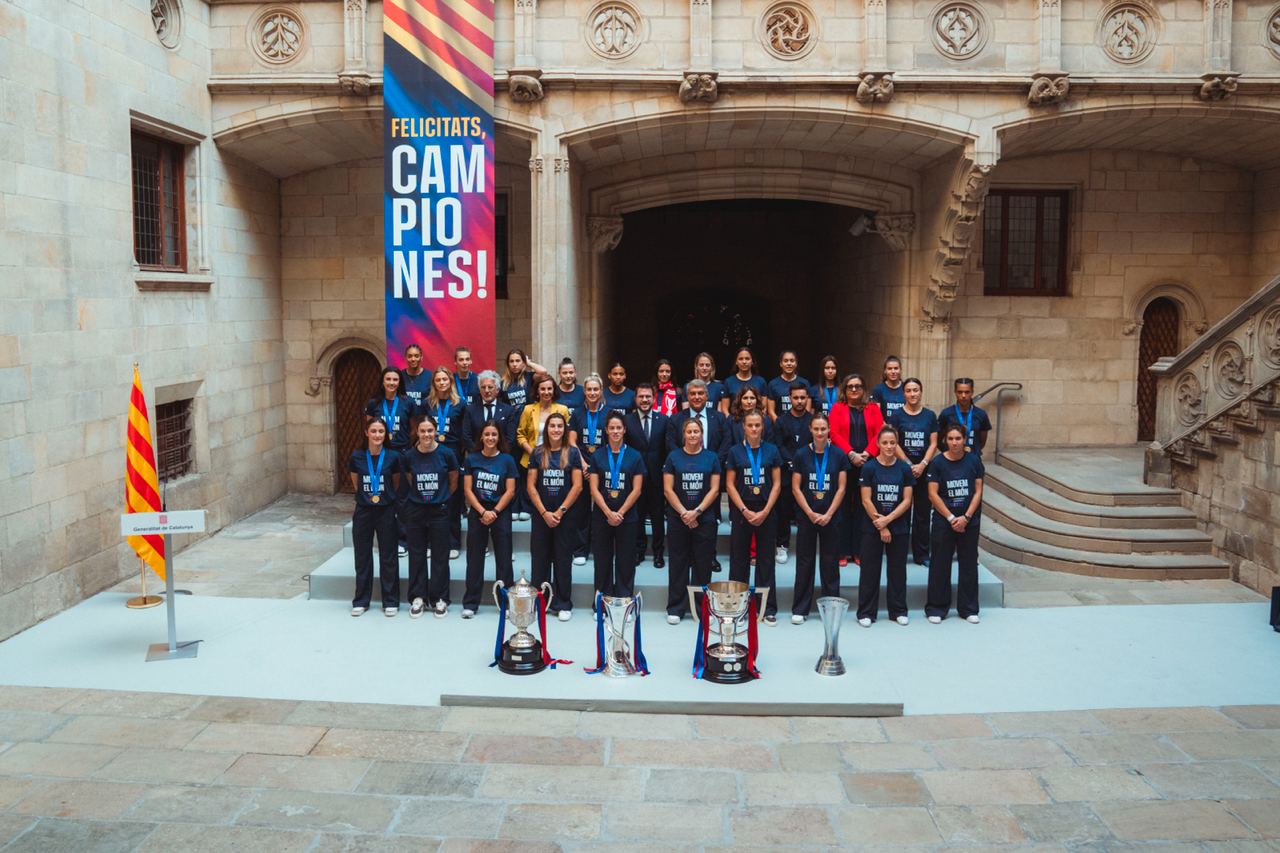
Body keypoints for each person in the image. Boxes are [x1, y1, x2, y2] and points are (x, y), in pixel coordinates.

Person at [790, 413, 849, 624]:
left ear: (829, 429)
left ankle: (831, 608)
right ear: (810, 430)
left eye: (823, 429)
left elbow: (842, 487)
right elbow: (796, 487)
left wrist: (829, 513)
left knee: (830, 561)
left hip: (831, 516)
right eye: (816, 429)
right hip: (808, 515)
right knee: (804, 561)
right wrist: (810, 512)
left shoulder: (839, 455)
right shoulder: (800, 455)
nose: (820, 432)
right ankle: (800, 609)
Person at [662, 419, 722, 624]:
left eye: (697, 431)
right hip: (679, 520)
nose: (693, 435)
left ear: (702, 434)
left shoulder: (711, 457)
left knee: (702, 565)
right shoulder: (673, 457)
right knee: (678, 564)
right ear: (684, 434)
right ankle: (676, 608)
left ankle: (702, 608)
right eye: (689, 431)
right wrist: (684, 514)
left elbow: (715, 489)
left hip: (704, 519)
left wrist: (696, 512)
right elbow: (668, 489)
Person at [925, 424, 985, 624]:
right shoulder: (937, 463)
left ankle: (968, 608)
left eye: (958, 438)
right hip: (944, 521)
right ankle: (936, 608)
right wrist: (951, 518)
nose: (954, 442)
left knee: (968, 564)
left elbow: (978, 491)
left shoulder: (974, 461)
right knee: (940, 564)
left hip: (969, 521)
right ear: (945, 440)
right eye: (950, 438)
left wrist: (966, 517)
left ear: (965, 439)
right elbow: (932, 494)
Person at [726, 411, 782, 625]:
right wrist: (744, 510)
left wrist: (766, 511)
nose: (754, 429)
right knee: (739, 560)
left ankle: (767, 608)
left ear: (763, 427)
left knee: (766, 560)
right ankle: (737, 607)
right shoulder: (735, 451)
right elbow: (730, 484)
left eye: (758, 425)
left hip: (766, 510)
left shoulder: (772, 450)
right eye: (750, 425)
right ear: (744, 427)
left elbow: (777, 483)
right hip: (743, 511)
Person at [527, 412, 582, 621]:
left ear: (564, 429)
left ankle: (563, 602)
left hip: (564, 516)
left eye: (560, 426)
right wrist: (544, 512)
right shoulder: (538, 453)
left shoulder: (573, 453)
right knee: (539, 559)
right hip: (541, 514)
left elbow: (577, 486)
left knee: (562, 559)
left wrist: (559, 512)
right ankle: (540, 601)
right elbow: (531, 486)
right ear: (547, 429)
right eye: (552, 426)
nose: (556, 430)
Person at [857, 425, 915, 627]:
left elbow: (907, 501)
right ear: (878, 444)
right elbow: (866, 499)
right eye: (885, 443)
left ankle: (898, 610)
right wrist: (880, 525)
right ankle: (866, 612)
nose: (889, 446)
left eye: (892, 442)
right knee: (869, 570)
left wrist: (887, 521)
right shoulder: (869, 468)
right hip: (872, 526)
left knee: (897, 570)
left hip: (898, 527)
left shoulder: (904, 468)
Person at [401, 418, 458, 619]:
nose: (426, 435)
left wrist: (440, 498)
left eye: (430, 431)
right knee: (416, 554)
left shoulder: (447, 454)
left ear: (436, 431)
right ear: (417, 432)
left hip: (439, 510)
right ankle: (418, 597)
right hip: (416, 510)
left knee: (440, 555)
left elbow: (453, 481)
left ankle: (440, 598)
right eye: (423, 431)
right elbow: (409, 479)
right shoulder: (409, 456)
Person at [461, 422, 518, 617]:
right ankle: (470, 603)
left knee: (504, 560)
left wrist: (494, 511)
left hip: (500, 513)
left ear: (499, 437)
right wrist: (482, 511)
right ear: (481, 437)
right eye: (487, 434)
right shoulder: (472, 459)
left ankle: (506, 603)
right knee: (474, 559)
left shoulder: (507, 460)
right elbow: (467, 489)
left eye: (494, 434)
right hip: (478, 513)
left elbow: (510, 490)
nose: (491, 438)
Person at [348, 418, 402, 617]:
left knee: (388, 556)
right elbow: (356, 482)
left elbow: (395, 482)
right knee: (362, 556)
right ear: (366, 433)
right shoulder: (357, 456)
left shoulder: (393, 457)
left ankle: (390, 600)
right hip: (363, 511)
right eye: (374, 431)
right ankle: (361, 600)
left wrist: (383, 498)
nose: (378, 435)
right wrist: (369, 498)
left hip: (386, 510)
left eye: (381, 431)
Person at [589, 413, 646, 600]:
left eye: (618, 428)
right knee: (602, 559)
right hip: (601, 517)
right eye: (611, 428)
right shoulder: (597, 456)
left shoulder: (635, 456)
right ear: (606, 430)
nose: (615, 431)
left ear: (624, 430)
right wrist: (608, 512)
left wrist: (619, 513)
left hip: (627, 517)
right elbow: (594, 489)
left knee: (626, 560)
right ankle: (602, 600)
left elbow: (637, 490)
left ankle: (623, 599)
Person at [830, 373, 884, 566]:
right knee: (843, 508)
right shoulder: (837, 408)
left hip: (868, 465)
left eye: (858, 386)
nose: (854, 389)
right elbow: (833, 433)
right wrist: (851, 454)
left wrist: (868, 454)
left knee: (863, 508)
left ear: (864, 389)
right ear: (844, 389)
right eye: (850, 386)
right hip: (845, 463)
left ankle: (860, 551)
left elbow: (880, 432)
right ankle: (842, 551)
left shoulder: (873, 409)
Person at [888, 378, 938, 566]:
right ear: (904, 394)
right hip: (903, 469)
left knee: (922, 514)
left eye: (915, 390)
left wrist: (923, 463)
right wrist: (909, 464)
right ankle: (898, 552)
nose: (912, 394)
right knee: (901, 512)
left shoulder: (930, 416)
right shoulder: (896, 416)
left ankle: (922, 554)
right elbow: (894, 442)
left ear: (921, 391)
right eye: (908, 390)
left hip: (925, 470)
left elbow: (933, 443)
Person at [420, 367, 468, 557]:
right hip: (431, 452)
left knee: (453, 499)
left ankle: (453, 543)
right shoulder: (427, 404)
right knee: (432, 496)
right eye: (438, 380)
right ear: (434, 383)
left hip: (453, 453)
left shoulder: (460, 404)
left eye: (445, 380)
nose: (441, 383)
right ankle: (432, 542)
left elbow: (464, 433)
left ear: (450, 382)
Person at [464, 371, 522, 521]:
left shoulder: (508, 410)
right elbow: (466, 435)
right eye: (483, 387)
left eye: (491, 387)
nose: (487, 390)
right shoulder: (471, 409)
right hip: (477, 461)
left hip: (501, 461)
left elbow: (510, 437)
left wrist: (498, 456)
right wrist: (479, 455)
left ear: (497, 389)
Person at [625, 383, 670, 568]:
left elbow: (667, 449)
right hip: (635, 477)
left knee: (658, 517)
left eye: (648, 397)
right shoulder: (627, 421)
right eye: (641, 397)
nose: (644, 400)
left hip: (658, 477)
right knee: (637, 516)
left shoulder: (664, 420)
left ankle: (658, 553)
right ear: (635, 399)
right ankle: (639, 551)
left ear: (654, 399)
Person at [569, 374, 608, 566]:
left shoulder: (609, 413)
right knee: (581, 509)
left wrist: (596, 468)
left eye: (596, 389)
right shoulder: (577, 414)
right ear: (584, 391)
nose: (592, 393)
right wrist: (584, 465)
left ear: (601, 391)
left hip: (604, 467)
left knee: (603, 507)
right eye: (589, 389)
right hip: (582, 466)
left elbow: (613, 441)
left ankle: (601, 548)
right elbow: (572, 441)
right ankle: (580, 550)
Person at [774, 381, 814, 566]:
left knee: (805, 510)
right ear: (789, 398)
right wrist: (791, 462)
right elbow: (778, 445)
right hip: (787, 471)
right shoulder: (781, 421)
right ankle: (782, 544)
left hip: (809, 472)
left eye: (802, 398)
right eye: (796, 398)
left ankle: (806, 546)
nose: (799, 401)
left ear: (807, 399)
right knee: (783, 510)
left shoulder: (813, 420)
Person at [515, 373, 570, 472]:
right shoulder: (528, 409)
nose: (546, 392)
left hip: (556, 461)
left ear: (554, 390)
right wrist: (532, 453)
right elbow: (520, 435)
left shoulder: (563, 410)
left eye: (549, 388)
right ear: (537, 390)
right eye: (543, 389)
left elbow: (567, 435)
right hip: (531, 461)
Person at [666, 378, 732, 461]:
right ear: (687, 397)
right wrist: (683, 463)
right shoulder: (675, 419)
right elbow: (671, 444)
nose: (697, 397)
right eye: (693, 394)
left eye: (700, 393)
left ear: (707, 396)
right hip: (684, 469)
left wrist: (714, 463)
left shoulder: (720, 418)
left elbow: (726, 443)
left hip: (714, 469)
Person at [936, 377, 993, 457]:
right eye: (960, 392)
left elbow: (982, 442)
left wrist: (974, 452)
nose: (963, 395)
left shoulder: (981, 414)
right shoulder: (946, 414)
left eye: (967, 392)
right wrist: (948, 452)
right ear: (955, 392)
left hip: (973, 460)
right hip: (951, 461)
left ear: (972, 392)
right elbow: (938, 441)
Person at [364, 367, 414, 455]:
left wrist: (408, 446)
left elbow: (414, 429)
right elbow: (370, 428)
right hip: (380, 450)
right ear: (383, 382)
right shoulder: (373, 403)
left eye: (395, 380)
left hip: (402, 451)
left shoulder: (408, 402)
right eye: (388, 379)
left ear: (399, 382)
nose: (391, 383)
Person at [722, 346, 770, 415]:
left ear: (752, 361)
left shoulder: (761, 381)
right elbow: (724, 409)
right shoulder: (728, 382)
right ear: (736, 362)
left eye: (747, 359)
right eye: (741, 359)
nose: (744, 362)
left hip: (755, 423)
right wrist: (731, 422)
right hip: (735, 422)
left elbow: (764, 408)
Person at [768, 349, 809, 419]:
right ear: (781, 364)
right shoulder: (773, 384)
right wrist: (779, 424)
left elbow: (807, 409)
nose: (789, 363)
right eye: (786, 361)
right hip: (779, 427)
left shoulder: (804, 383)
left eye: (792, 361)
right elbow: (771, 411)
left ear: (796, 363)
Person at [870, 355, 907, 422]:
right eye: (889, 369)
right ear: (885, 371)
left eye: (896, 368)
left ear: (900, 370)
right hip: (885, 429)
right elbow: (875, 415)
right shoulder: (878, 390)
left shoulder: (906, 388)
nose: (893, 372)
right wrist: (887, 429)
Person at [400, 343, 432, 407]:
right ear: (405, 358)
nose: (413, 359)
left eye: (416, 356)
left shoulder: (430, 376)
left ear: (421, 357)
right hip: (405, 415)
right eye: (410, 356)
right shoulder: (400, 376)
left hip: (423, 415)